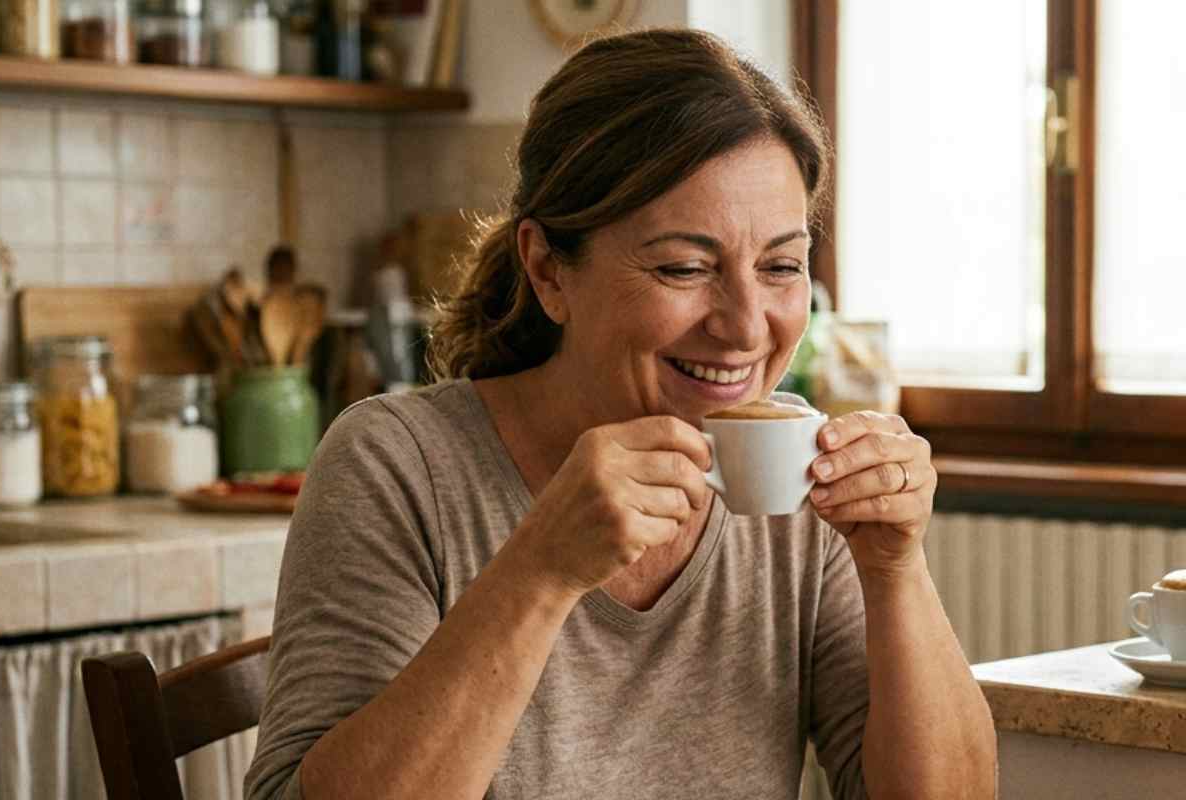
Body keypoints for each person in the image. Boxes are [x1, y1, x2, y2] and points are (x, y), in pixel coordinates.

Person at [244, 28, 997, 800]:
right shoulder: (399, 464)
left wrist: (896, 569)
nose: (745, 325)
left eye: (781, 266)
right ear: (548, 271)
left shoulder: (798, 473)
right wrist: (541, 571)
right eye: (683, 267)